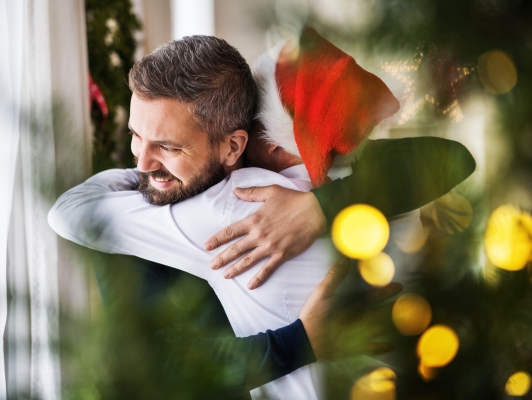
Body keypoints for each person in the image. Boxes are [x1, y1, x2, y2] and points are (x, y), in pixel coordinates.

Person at [49, 30, 475, 398]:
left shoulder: (234, 202)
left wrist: (317, 210)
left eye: (170, 145)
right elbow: (454, 157)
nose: (142, 162)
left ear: (241, 144)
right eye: (136, 137)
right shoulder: (384, 196)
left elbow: (69, 210)